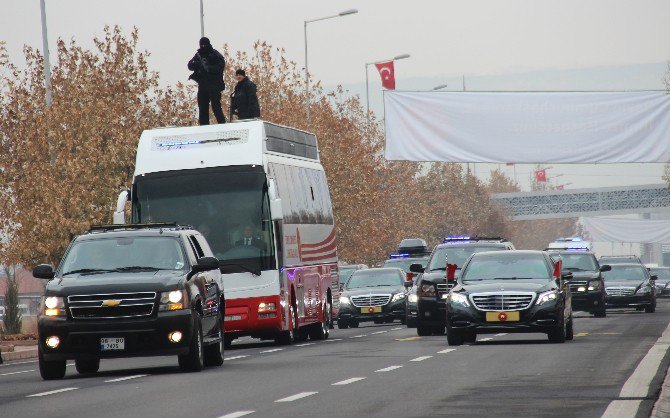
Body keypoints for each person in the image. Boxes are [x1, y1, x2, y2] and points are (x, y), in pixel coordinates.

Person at [187, 37, 226, 125]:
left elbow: (220, 67)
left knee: (216, 107)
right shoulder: (198, 54)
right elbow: (190, 65)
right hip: (203, 85)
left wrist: (209, 68)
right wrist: (198, 64)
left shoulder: (215, 54)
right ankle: (204, 127)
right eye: (202, 45)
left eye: (205, 45)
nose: (203, 46)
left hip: (214, 84)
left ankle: (222, 125)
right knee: (202, 107)